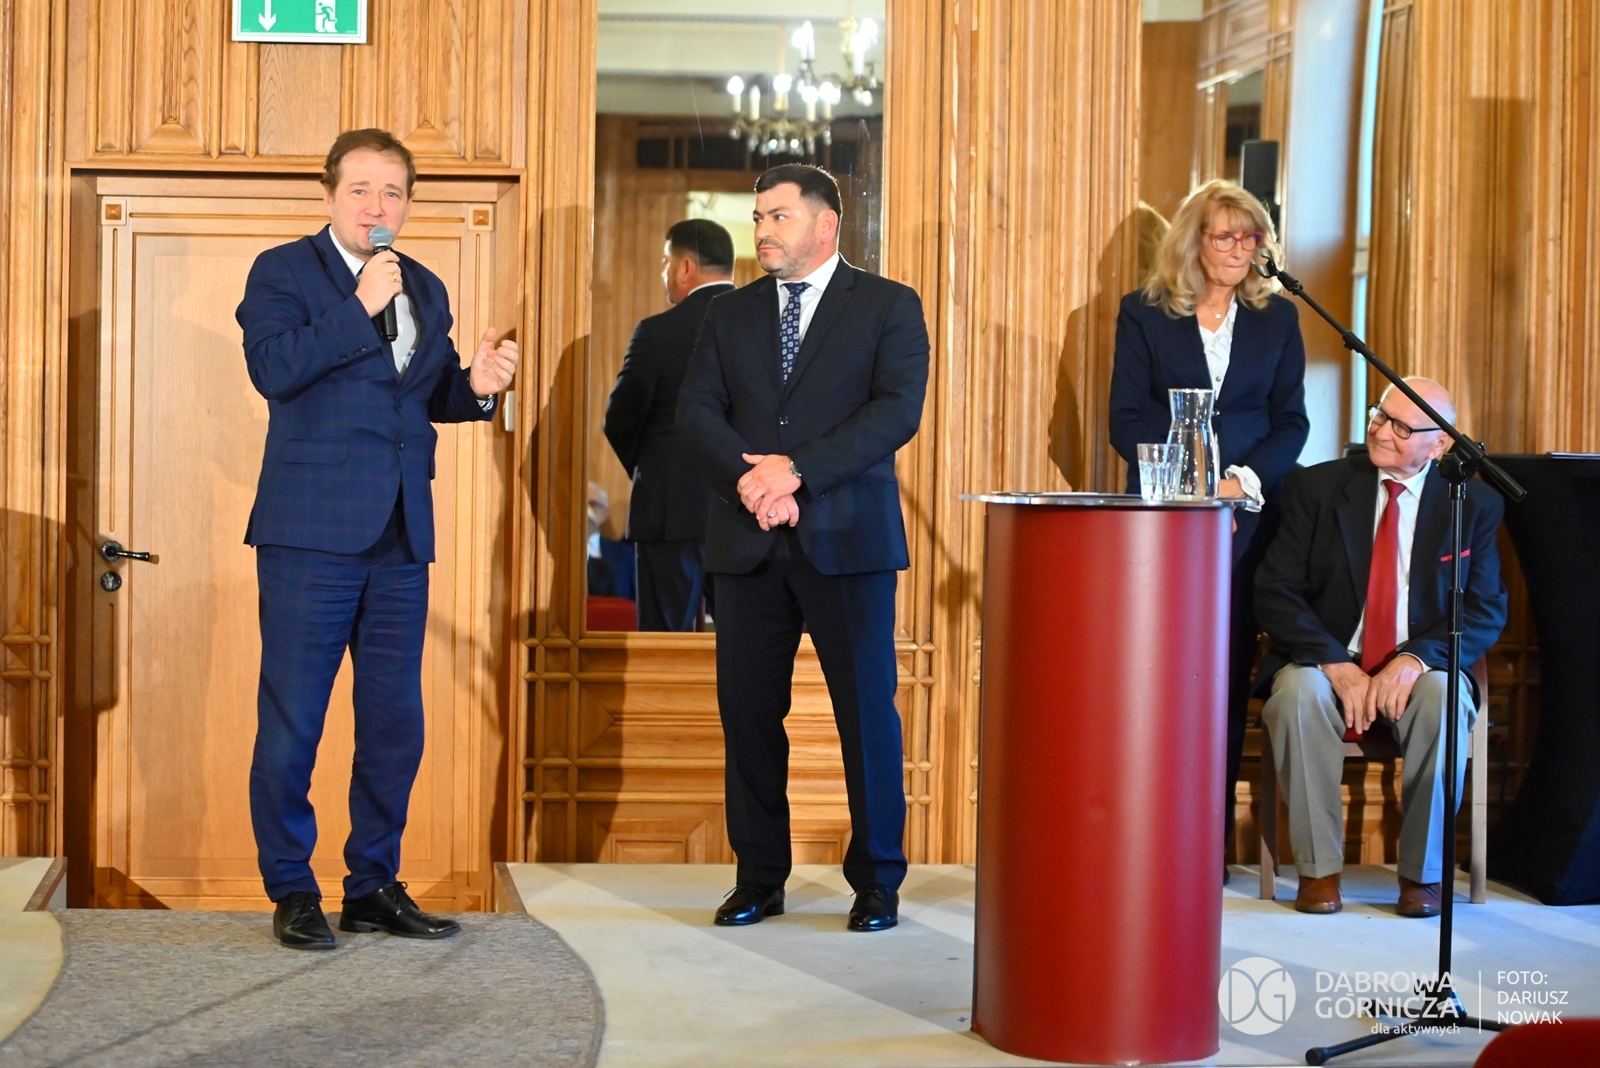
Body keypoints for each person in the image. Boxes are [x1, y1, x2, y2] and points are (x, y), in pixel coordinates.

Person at [236, 129, 520, 949]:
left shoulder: (424, 285)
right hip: (309, 534)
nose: (376, 206)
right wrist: (357, 306)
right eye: (360, 190)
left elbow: (425, 395)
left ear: (408, 204)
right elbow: (275, 368)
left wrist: (476, 388)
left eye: (392, 192)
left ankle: (372, 885)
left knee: (395, 722)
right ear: (329, 196)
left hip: (399, 534)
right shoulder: (283, 272)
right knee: (294, 720)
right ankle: (293, 888)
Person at [677, 164, 929, 932]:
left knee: (867, 715)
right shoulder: (728, 313)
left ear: (826, 224)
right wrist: (752, 484)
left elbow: (896, 412)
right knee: (749, 715)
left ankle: (877, 881)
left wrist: (797, 472)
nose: (761, 231)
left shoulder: (888, 304)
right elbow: (696, 412)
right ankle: (759, 878)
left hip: (848, 541)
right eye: (758, 217)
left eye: (778, 216)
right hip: (747, 540)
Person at [1108, 179, 1310, 871]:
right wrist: (1188, 486)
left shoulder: (1277, 318)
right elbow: (1126, 419)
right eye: (1226, 235)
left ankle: (1207, 846)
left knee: (1223, 676)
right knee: (1158, 675)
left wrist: (1236, 486)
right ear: (1193, 241)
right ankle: (1146, 835)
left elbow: (1292, 423)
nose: (1240, 248)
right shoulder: (1144, 314)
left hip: (1247, 521)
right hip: (1165, 520)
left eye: (1252, 237)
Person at [1255, 378, 1506, 916]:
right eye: (1379, 415)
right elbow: (1275, 589)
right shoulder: (1317, 487)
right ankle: (1318, 872)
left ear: (1440, 443)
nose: (1381, 431)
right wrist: (1333, 661)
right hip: (1325, 658)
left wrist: (1415, 659)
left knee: (1444, 700)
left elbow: (1485, 610)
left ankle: (1423, 876)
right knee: (1296, 696)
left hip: (1421, 665)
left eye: (1401, 426)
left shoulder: (1472, 504)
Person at [603, 219, 735, 629]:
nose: (665, 271)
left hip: (668, 514)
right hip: (747, 511)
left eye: (666, 261)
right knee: (745, 642)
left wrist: (653, 470)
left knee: (663, 641)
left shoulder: (657, 332)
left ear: (685, 268)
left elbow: (620, 418)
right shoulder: (764, 329)